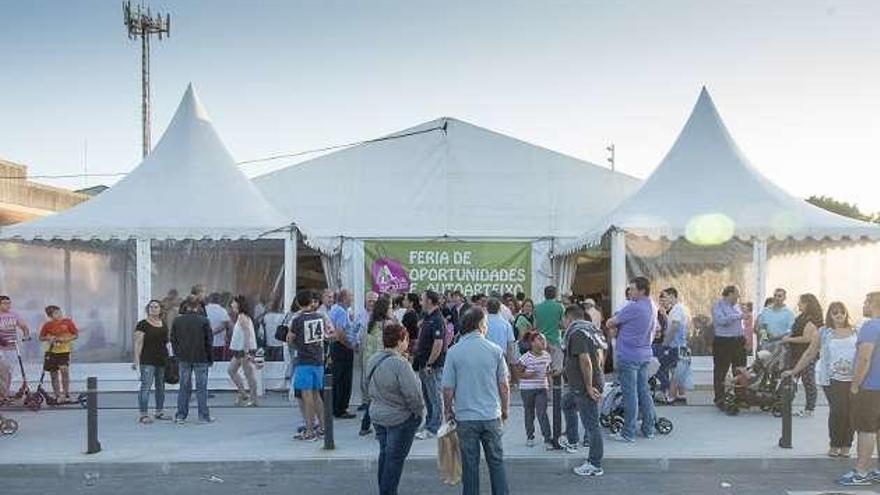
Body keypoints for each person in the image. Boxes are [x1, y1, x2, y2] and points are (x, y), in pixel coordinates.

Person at [442, 307, 510, 495]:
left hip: (466, 416)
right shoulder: (495, 350)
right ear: (480, 325)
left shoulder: (454, 352)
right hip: (491, 415)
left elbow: (448, 388)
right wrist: (505, 410)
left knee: (470, 466)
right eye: (486, 324)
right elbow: (504, 386)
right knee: (496, 462)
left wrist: (448, 411)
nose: (486, 327)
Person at [784, 301, 857, 457]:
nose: (839, 315)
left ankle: (846, 445)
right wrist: (794, 370)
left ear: (846, 313)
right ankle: (835, 444)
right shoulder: (824, 332)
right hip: (832, 379)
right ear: (829, 315)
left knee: (850, 412)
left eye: (841, 312)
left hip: (853, 379)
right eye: (835, 312)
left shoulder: (855, 331)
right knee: (838, 411)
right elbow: (809, 353)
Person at [368, 323, 425, 495]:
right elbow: (413, 395)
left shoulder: (373, 359)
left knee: (385, 456)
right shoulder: (401, 364)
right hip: (399, 418)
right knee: (394, 461)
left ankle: (384, 490)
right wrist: (419, 413)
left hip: (378, 414)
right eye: (406, 340)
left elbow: (366, 386)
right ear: (401, 341)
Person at [606, 277, 657, 442]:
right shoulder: (652, 306)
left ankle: (628, 433)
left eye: (632, 289)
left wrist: (616, 321)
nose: (630, 292)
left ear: (642, 290)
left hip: (629, 355)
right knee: (644, 392)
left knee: (630, 395)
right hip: (644, 354)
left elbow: (609, 323)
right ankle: (648, 428)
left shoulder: (633, 307)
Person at [558, 304, 606, 476]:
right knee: (567, 403)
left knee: (591, 425)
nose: (562, 323)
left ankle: (594, 464)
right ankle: (572, 440)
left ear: (569, 318)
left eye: (563, 319)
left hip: (584, 386)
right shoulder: (590, 330)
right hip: (580, 385)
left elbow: (585, 361)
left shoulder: (577, 333)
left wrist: (589, 386)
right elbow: (600, 356)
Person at [838, 292, 880, 486]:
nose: (863, 305)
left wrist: (855, 384)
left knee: (866, 429)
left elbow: (864, 358)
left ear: (873, 305)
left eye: (866, 302)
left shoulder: (871, 326)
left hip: (870, 388)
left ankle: (860, 473)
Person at [289, 290, 328, 442]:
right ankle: (324, 426)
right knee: (317, 394)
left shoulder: (297, 320)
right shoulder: (319, 317)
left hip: (304, 360)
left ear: (298, 303)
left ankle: (310, 430)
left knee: (307, 396)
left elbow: (290, 339)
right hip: (318, 359)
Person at [171, 297, 215, 424]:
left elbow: (173, 340)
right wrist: (210, 359)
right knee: (202, 388)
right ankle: (203, 416)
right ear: (198, 306)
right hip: (201, 358)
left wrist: (177, 354)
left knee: (184, 387)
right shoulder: (204, 320)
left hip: (183, 358)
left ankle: (181, 415)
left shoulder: (177, 320)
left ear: (186, 306)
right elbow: (209, 342)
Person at [782, 293, 823, 417]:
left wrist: (789, 340)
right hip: (796, 353)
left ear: (807, 304)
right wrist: (789, 336)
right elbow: (796, 331)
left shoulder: (811, 320)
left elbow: (807, 338)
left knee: (808, 381)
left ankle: (809, 409)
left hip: (807, 354)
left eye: (800, 302)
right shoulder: (802, 317)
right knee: (791, 379)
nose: (798, 304)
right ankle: (785, 405)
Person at [414, 290, 447, 440]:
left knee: (434, 396)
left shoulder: (437, 319)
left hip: (432, 366)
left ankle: (434, 427)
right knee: (427, 396)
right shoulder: (428, 318)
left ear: (429, 301)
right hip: (423, 364)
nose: (420, 302)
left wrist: (429, 363)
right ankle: (429, 423)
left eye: (422, 299)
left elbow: (438, 344)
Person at [132, 300, 170, 423]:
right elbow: (138, 343)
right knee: (146, 386)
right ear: (148, 309)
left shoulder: (163, 323)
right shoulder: (142, 324)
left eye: (156, 307)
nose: (153, 309)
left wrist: (170, 357)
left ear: (160, 309)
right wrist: (136, 360)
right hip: (147, 360)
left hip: (162, 359)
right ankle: (143, 414)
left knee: (161, 387)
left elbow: (166, 342)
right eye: (151, 307)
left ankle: (159, 411)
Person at [710, 285, 747, 409]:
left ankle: (740, 397)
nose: (738, 297)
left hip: (738, 341)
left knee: (740, 369)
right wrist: (738, 316)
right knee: (721, 370)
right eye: (737, 294)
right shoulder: (718, 306)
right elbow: (721, 321)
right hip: (723, 341)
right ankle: (720, 398)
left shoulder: (736, 307)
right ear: (730, 294)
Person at [361, 295, 393, 436]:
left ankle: (365, 425)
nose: (392, 309)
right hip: (383, 364)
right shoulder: (387, 324)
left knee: (374, 398)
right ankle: (382, 429)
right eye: (390, 307)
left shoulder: (371, 322)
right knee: (385, 398)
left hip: (370, 364)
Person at [517, 332, 553, 449]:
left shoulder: (547, 356)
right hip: (527, 389)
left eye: (544, 339)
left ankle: (547, 438)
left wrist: (550, 383)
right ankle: (530, 437)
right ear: (532, 343)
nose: (543, 342)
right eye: (540, 339)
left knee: (542, 413)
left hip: (541, 388)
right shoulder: (525, 358)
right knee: (529, 413)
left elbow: (548, 371)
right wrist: (528, 375)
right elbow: (518, 374)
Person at [37, 305, 78, 402]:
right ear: (50, 316)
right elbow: (41, 337)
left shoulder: (67, 322)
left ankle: (66, 394)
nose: (59, 314)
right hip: (51, 351)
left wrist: (66, 339)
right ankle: (57, 395)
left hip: (64, 351)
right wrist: (49, 338)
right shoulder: (47, 325)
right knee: (53, 373)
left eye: (60, 312)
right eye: (56, 313)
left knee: (64, 370)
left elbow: (75, 335)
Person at [659, 287, 690, 405]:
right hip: (681, 345)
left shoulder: (677, 309)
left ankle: (671, 397)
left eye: (665, 297)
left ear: (672, 296)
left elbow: (674, 327)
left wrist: (665, 344)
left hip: (675, 346)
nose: (664, 300)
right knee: (679, 371)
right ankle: (682, 395)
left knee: (675, 371)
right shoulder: (678, 309)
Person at [329, 289, 356, 419]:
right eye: (350, 296)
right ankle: (341, 408)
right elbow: (340, 332)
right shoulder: (340, 311)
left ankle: (336, 407)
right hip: (342, 348)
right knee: (343, 380)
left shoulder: (335, 309)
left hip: (337, 348)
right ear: (344, 298)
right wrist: (350, 346)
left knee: (338, 378)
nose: (352, 299)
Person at [227, 295, 259, 407]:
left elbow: (247, 334)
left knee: (248, 374)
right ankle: (243, 393)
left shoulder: (242, 317)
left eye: (234, 302)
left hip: (244, 349)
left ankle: (253, 398)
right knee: (231, 370)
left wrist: (246, 351)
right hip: (239, 349)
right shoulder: (242, 316)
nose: (232, 304)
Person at [0, 295, 31, 401]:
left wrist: (26, 335)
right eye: (4, 303)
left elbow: (23, 326)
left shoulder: (14, 315)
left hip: (12, 347)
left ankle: (5, 393)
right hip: (1, 347)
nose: (7, 305)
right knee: (3, 369)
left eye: (9, 303)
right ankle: (2, 394)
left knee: (8, 371)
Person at [356, 292, 380, 412]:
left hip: (376, 349)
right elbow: (355, 330)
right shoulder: (361, 315)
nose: (371, 304)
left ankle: (375, 400)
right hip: (363, 348)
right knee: (364, 375)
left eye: (374, 301)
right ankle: (365, 400)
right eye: (369, 301)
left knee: (376, 375)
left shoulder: (380, 316)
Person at [534, 286, 565, 374]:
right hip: (555, 340)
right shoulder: (560, 307)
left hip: (541, 341)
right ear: (555, 295)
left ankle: (545, 386)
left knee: (543, 369)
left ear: (544, 294)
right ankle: (556, 387)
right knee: (557, 369)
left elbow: (535, 326)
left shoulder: (537, 307)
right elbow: (563, 325)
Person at [486, 298, 516, 365]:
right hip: (502, 358)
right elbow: (510, 346)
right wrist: (509, 364)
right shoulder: (506, 324)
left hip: (486, 357)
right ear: (499, 309)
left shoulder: (482, 323)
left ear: (487, 308)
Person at [205, 293, 232, 362]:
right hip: (219, 343)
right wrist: (228, 338)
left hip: (205, 342)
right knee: (218, 365)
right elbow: (228, 325)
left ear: (210, 299)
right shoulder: (222, 311)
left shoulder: (204, 310)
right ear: (219, 300)